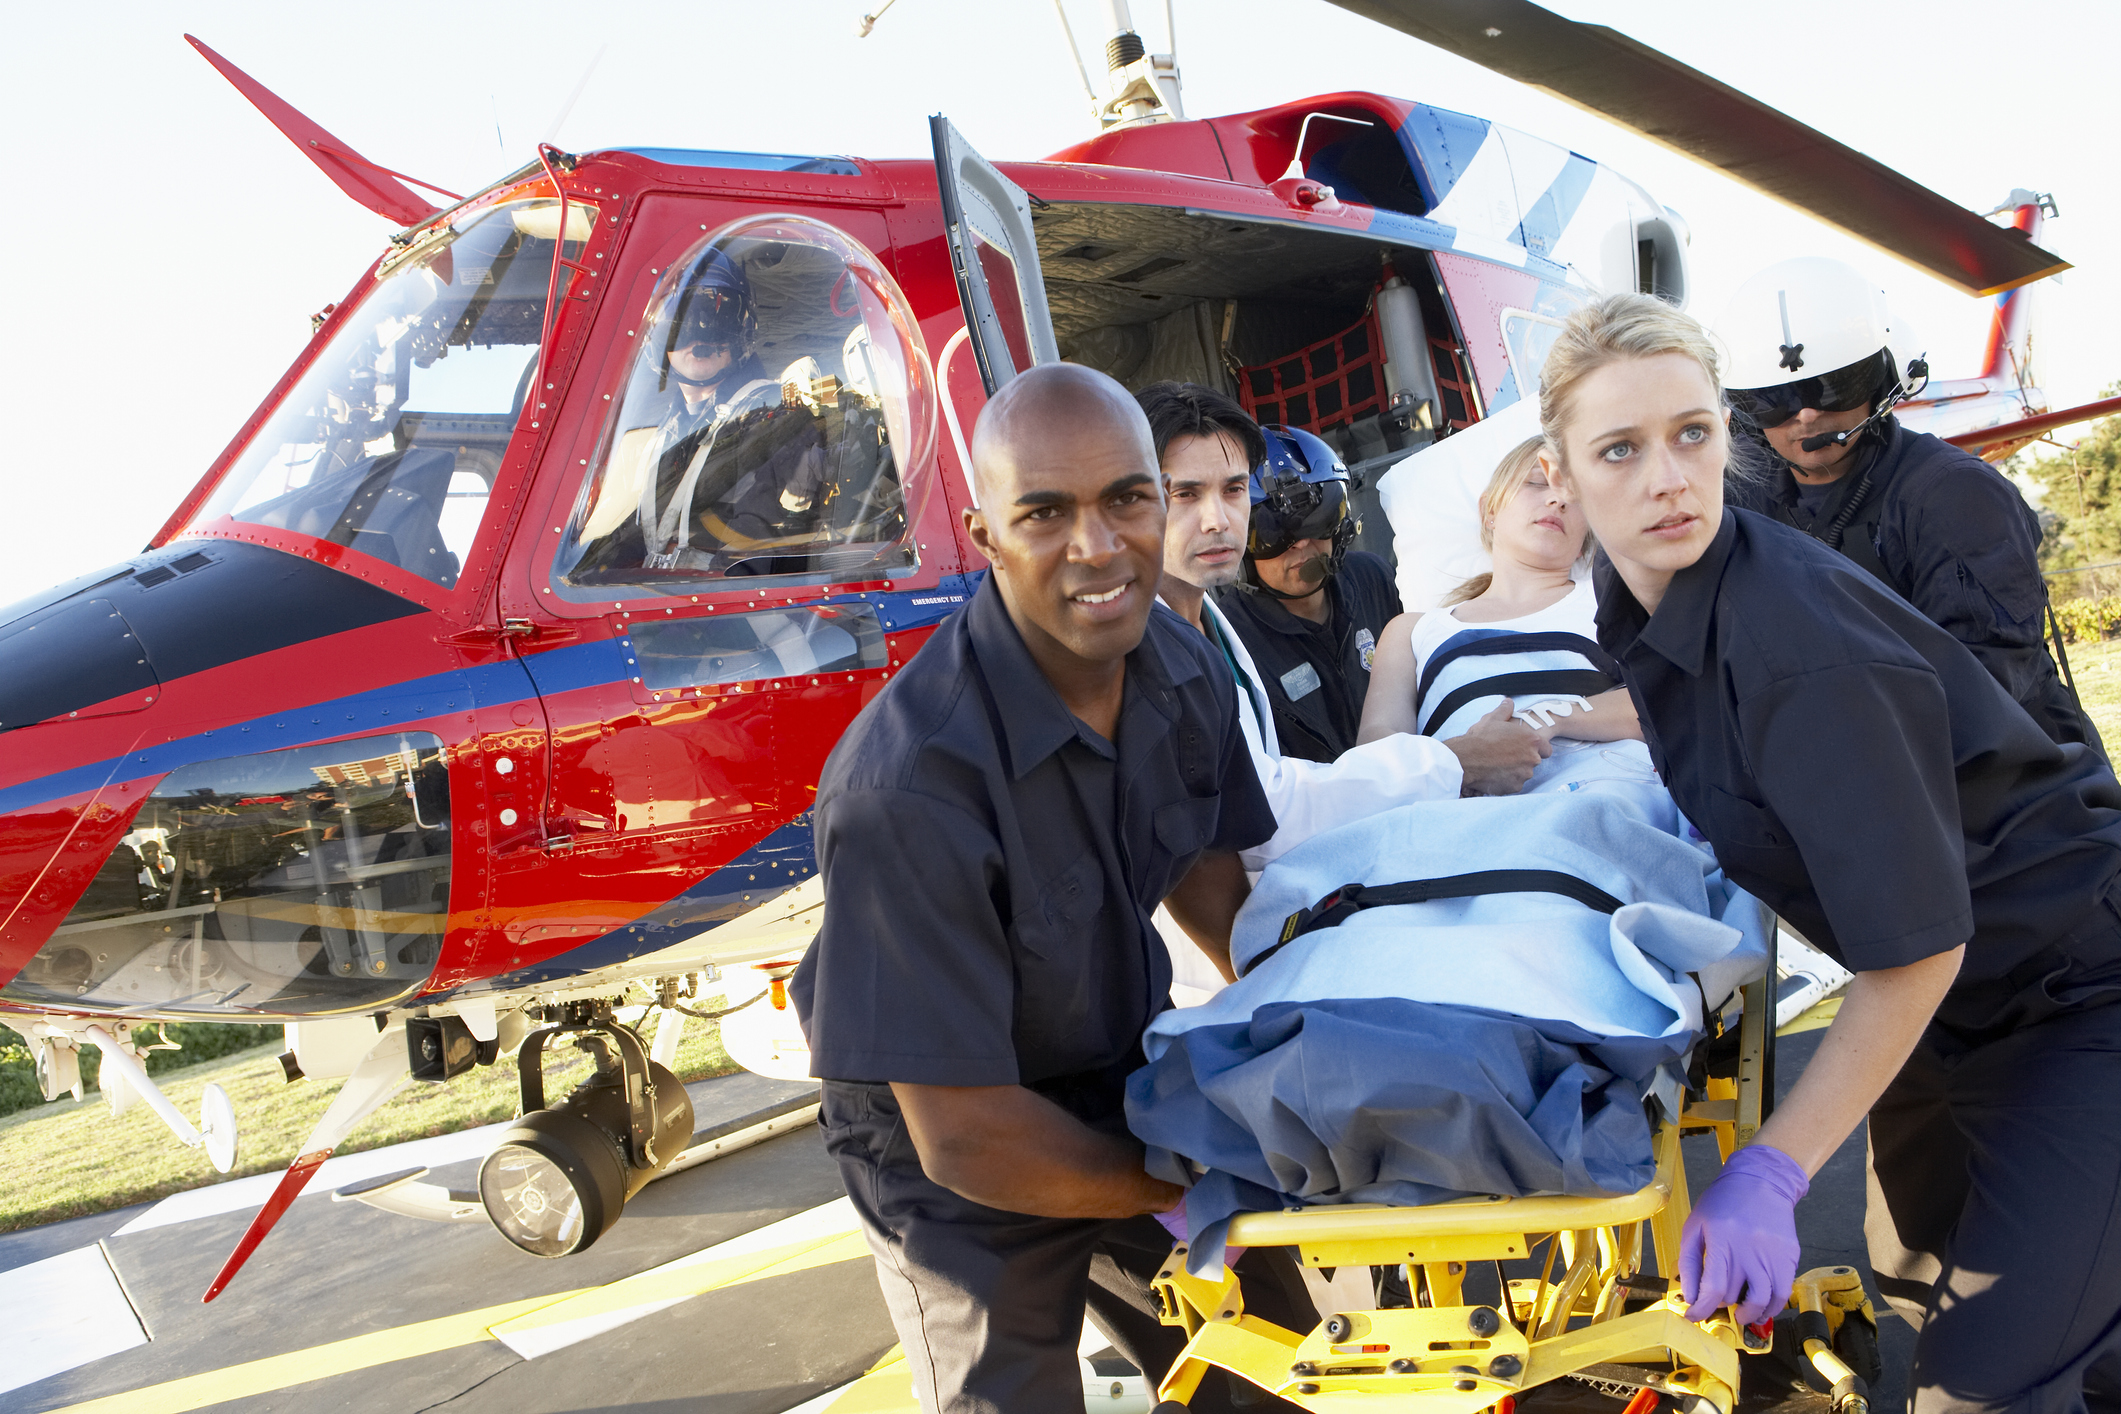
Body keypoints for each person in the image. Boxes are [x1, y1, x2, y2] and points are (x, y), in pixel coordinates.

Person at [1543, 290, 2121, 1410]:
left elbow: (1918, 948)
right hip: (1949, 1012)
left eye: (1691, 434)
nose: (1668, 475)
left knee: (1986, 1388)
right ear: (1561, 477)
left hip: (2075, 1002)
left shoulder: (1799, 650)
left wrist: (1771, 1167)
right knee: (1915, 1291)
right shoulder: (1643, 590)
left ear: (1725, 437)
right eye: (1621, 448)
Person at [790, 363, 1314, 1413]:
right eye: (1044, 512)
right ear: (987, 537)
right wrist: (1184, 1182)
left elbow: (1209, 862)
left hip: (1118, 1070)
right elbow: (966, 1134)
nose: (1097, 545)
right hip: (949, 1138)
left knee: (1279, 1371)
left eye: (1126, 497)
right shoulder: (908, 785)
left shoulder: (1181, 662)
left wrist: (1297, 1024)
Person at [1716, 256, 2100, 753]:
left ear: (1881, 382)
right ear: (1745, 411)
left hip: (2011, 786)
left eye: (1833, 386)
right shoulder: (1740, 499)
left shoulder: (1956, 495)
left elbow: (1985, 683)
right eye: (1773, 399)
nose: (1806, 413)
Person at [1140, 382, 1550, 840]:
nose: (1217, 520)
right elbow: (1262, 809)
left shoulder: (1367, 580)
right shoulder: (1173, 648)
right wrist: (1457, 761)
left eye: (1233, 489)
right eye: (1185, 495)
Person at [1360, 434, 1643, 763]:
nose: (1557, 500)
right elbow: (1376, 754)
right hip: (1464, 805)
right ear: (1489, 512)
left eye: (1575, 497)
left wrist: (1544, 719)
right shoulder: (1411, 632)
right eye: (1536, 483)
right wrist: (1469, 761)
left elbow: (1667, 696)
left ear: (1584, 541)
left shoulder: (1610, 599)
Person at [1213, 426, 1402, 763]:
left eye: (1317, 519)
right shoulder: (1228, 644)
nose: (1300, 544)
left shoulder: (1374, 579)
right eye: (1271, 531)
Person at [631, 252, 828, 568]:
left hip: (734, 602)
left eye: (716, 323)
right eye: (681, 326)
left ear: (741, 334)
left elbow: (763, 537)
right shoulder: (660, 431)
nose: (700, 338)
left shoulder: (773, 414)